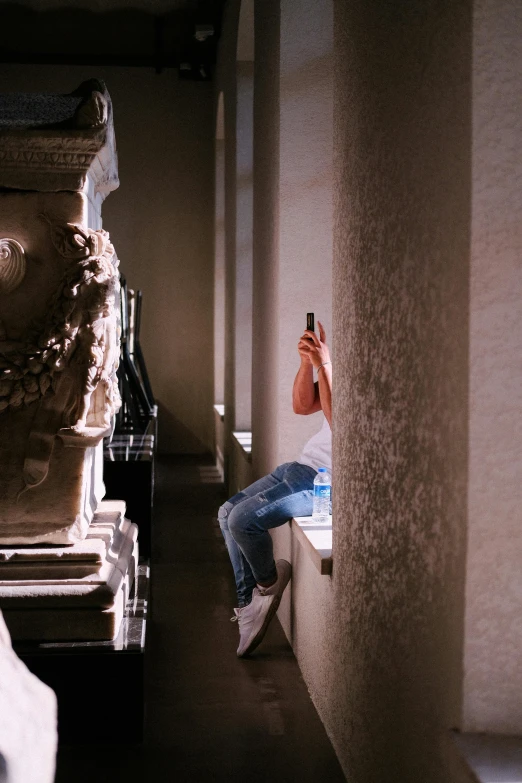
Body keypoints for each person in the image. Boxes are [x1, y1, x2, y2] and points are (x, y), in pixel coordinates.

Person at [218, 320, 332, 657]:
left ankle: (267, 587)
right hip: (298, 468)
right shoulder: (338, 366)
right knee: (226, 513)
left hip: (322, 482)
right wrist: (306, 362)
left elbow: (342, 417)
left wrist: (324, 364)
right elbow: (302, 405)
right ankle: (247, 605)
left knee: (242, 520)